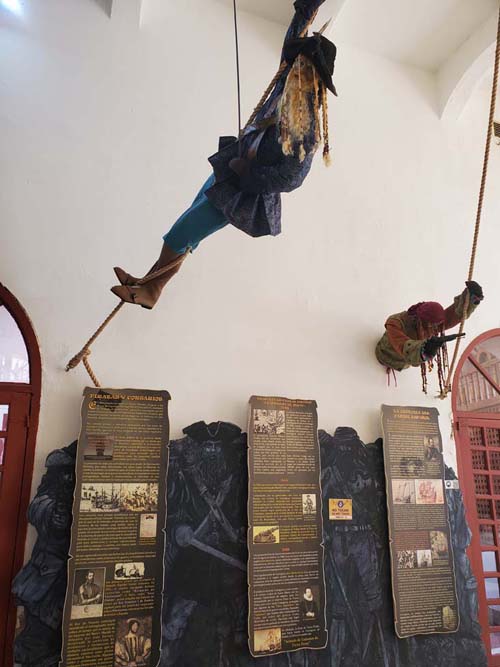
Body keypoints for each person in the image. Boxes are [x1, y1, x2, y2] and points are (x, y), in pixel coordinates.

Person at [111, 0, 337, 309]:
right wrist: (306, 10)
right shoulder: (287, 86)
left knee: (185, 230)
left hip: (244, 189)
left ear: (313, 75)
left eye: (302, 63)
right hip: (232, 170)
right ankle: (148, 283)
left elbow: (292, 177)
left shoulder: (307, 124)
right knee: (188, 228)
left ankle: (152, 292)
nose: (294, 65)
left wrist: (249, 174)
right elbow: (291, 41)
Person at [375, 281, 484, 372]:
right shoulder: (395, 322)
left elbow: (453, 315)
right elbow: (402, 345)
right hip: (384, 356)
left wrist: (471, 298)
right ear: (422, 319)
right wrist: (424, 349)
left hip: (403, 363)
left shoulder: (431, 324)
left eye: (436, 324)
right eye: (432, 324)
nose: (435, 327)